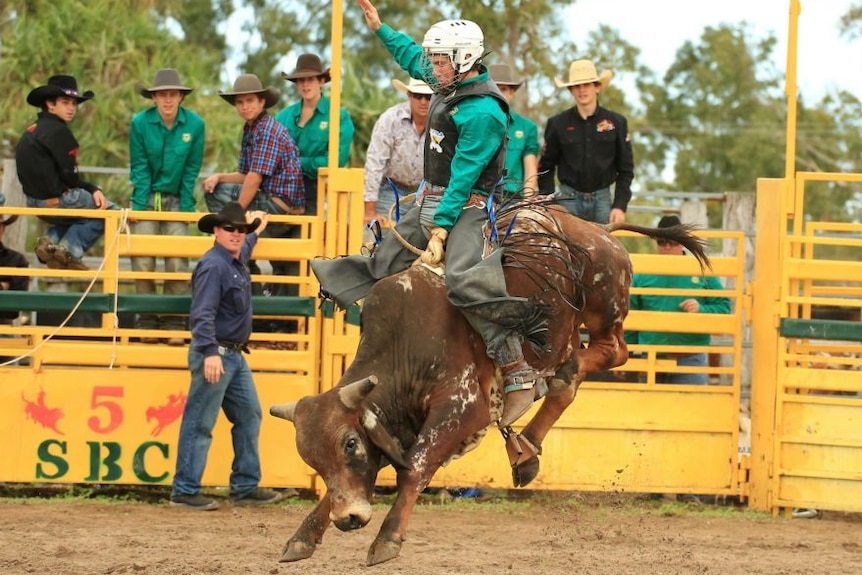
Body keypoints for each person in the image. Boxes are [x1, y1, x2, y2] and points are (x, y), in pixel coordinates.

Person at [312, 0, 541, 428]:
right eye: (433, 60)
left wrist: (440, 227)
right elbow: (411, 56)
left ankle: (517, 369)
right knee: (387, 259)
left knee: (463, 278)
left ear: (462, 60)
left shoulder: (485, 112)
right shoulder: (447, 82)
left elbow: (464, 175)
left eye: (439, 60)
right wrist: (380, 28)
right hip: (433, 197)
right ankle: (335, 285)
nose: (431, 66)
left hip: (468, 205)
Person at [170, 202, 285, 510]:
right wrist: (209, 352)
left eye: (240, 229)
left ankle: (245, 486)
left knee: (249, 415)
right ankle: (185, 489)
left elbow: (245, 246)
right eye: (230, 229)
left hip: (230, 354)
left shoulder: (231, 259)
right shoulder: (214, 266)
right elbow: (202, 312)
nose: (237, 234)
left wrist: (255, 228)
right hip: (217, 352)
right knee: (201, 421)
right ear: (217, 231)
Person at [202, 74, 304, 335]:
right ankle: (239, 247)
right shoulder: (252, 129)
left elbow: (254, 179)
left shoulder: (267, 130)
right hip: (266, 198)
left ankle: (235, 242)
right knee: (214, 189)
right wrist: (219, 177)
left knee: (221, 205)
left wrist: (235, 219)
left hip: (279, 204)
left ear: (261, 102)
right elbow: (246, 174)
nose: (245, 106)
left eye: (250, 101)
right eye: (240, 102)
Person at [130, 68, 205, 345]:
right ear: (154, 98)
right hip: (146, 197)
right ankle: (147, 319)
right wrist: (138, 204)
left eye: (173, 94)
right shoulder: (139, 123)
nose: (168, 100)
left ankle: (174, 320)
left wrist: (186, 207)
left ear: (181, 97)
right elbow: (138, 165)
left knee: (176, 260)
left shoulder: (195, 125)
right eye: (162, 95)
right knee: (143, 259)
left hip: (177, 199)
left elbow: (191, 169)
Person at [16, 74, 118, 270]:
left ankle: (49, 241)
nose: (71, 108)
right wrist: (93, 188)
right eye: (65, 102)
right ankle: (71, 249)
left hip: (34, 203)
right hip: (58, 200)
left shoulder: (31, 130)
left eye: (74, 103)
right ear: (50, 104)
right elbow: (70, 177)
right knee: (111, 212)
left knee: (79, 214)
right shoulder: (59, 131)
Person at [628, 215, 731, 384]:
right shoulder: (643, 273)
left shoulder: (701, 270)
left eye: (673, 242)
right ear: (656, 242)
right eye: (662, 242)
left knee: (689, 408)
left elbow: (724, 308)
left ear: (682, 242)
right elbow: (630, 315)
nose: (667, 247)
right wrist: (628, 355)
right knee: (649, 409)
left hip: (690, 357)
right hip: (651, 357)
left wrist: (702, 309)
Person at [537, 59, 634, 224]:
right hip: (567, 199)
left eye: (587, 85)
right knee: (565, 249)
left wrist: (619, 205)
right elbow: (545, 167)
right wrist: (549, 204)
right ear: (571, 90)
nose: (582, 90)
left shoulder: (617, 123)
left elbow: (626, 169)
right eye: (577, 86)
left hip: (603, 200)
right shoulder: (557, 124)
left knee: (604, 249)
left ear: (597, 87)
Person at [275, 53, 355, 216]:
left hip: (318, 190)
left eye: (310, 79)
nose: (305, 85)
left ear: (321, 81)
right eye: (301, 80)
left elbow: (336, 160)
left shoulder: (339, 116)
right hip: (281, 188)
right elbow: (272, 155)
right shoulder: (283, 116)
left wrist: (295, 163)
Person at [363, 77, 432, 225]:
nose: (423, 102)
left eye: (428, 96)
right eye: (418, 96)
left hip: (427, 195)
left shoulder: (444, 122)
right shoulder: (390, 119)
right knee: (386, 241)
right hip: (391, 190)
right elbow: (375, 162)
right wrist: (369, 211)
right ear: (409, 95)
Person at [488, 63, 539, 197]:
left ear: (511, 93)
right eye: (494, 88)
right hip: (480, 197)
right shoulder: (472, 125)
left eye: (503, 89)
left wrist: (527, 201)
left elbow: (530, 169)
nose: (498, 94)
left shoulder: (527, 128)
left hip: (513, 198)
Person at [0, 210, 29, 364]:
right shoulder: (17, 261)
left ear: (3, 229)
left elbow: (14, 307)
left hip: (3, 329)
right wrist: (3, 286)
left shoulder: (17, 260)